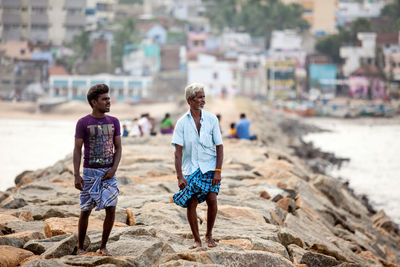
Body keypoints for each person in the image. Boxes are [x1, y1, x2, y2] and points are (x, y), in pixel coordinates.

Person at [172, 83, 223, 249]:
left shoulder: (211, 119)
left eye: (203, 97)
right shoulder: (181, 123)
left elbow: (220, 147)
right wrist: (179, 176)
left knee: (212, 199)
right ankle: (197, 240)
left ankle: (209, 235)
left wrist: (218, 171)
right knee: (192, 202)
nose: (203, 100)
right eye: (199, 97)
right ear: (189, 100)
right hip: (190, 168)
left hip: (209, 167)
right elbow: (178, 152)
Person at [73, 84, 122, 256]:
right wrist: (76, 175)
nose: (109, 102)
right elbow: (77, 149)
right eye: (105, 99)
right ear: (94, 102)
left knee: (111, 208)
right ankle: (80, 247)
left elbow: (118, 148)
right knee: (85, 210)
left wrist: (113, 169)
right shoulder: (83, 122)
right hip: (89, 172)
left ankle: (103, 246)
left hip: (108, 174)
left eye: (108, 98)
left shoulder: (114, 121)